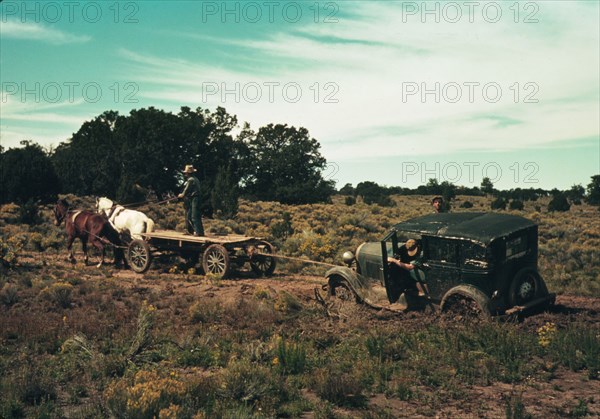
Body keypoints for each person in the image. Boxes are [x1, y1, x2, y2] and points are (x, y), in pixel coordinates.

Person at [178, 165, 205, 236]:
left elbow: (186, 190)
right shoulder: (195, 179)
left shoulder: (191, 180)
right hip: (195, 198)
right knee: (189, 215)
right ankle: (192, 231)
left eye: (186, 173)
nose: (185, 174)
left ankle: (199, 232)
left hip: (195, 198)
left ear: (188, 173)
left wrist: (181, 195)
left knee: (194, 215)